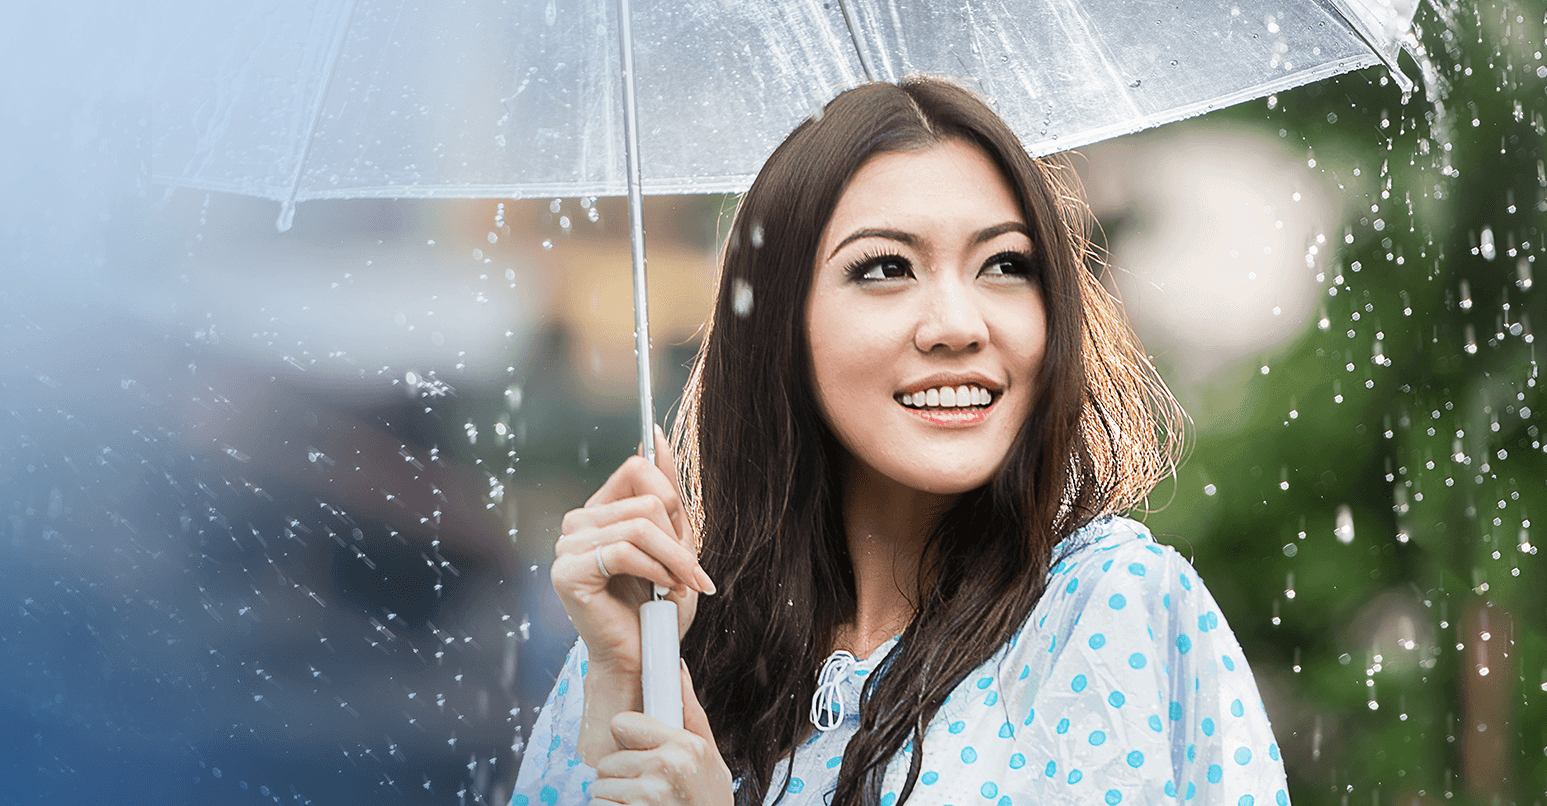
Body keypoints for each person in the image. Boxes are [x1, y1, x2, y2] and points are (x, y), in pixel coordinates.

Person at [509, 77, 1286, 806]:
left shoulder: (1111, 608)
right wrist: (621, 682)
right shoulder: (654, 639)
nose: (957, 324)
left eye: (1005, 265)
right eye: (886, 267)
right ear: (780, 324)